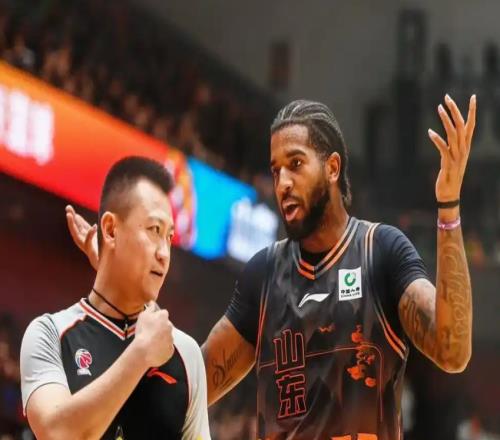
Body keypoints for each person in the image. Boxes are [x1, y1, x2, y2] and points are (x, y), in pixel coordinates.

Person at [68, 95, 475, 440]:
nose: (282, 183)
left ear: (332, 168)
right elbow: (191, 385)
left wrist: (449, 207)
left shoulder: (381, 250)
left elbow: (452, 351)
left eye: (295, 164)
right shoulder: (264, 274)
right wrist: (121, 283)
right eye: (276, 170)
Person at [21, 157, 210, 439]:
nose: (164, 253)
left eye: (169, 237)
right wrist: (140, 354)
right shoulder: (49, 334)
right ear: (110, 230)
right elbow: (57, 433)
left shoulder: (185, 353)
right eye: (154, 230)